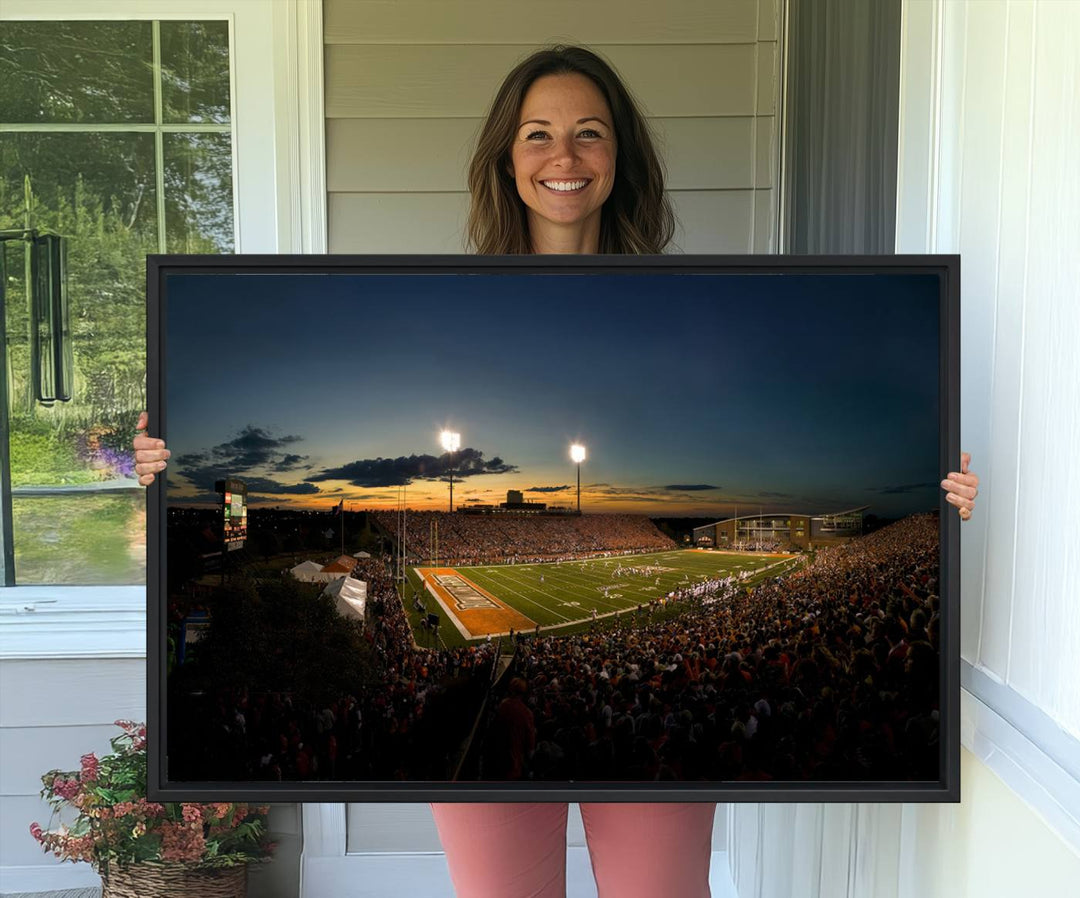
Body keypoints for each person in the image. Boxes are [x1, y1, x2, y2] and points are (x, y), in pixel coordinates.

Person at [134, 44, 980, 898]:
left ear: (621, 158)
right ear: (507, 157)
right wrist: (164, 466)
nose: (563, 157)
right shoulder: (451, 307)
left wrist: (941, 504)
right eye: (538, 134)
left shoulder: (682, 303)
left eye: (589, 133)